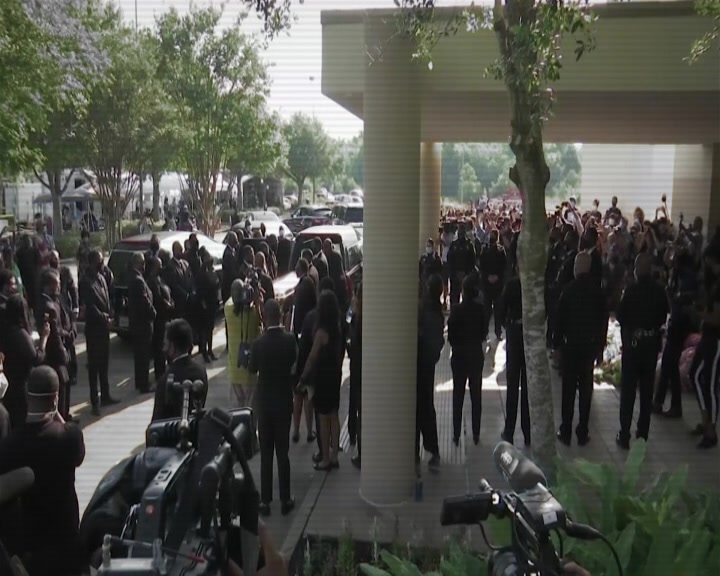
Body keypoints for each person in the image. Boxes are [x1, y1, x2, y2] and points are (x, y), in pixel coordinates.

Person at [0, 366, 85, 576]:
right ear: (55, 399)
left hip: (32, 548)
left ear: (27, 397)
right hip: (66, 541)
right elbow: (78, 455)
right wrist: (58, 415)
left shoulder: (10, 445)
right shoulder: (69, 437)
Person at [553, 252, 608, 447]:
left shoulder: (568, 290)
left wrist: (556, 345)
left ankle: (566, 429)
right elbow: (603, 323)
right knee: (586, 390)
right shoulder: (598, 291)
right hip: (589, 346)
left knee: (568, 390)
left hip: (571, 346)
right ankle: (582, 431)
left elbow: (558, 320)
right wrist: (600, 348)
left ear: (578, 267)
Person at [248, 299, 297, 517]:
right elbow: (294, 364)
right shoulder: (289, 340)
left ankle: (265, 501)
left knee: (266, 453)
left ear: (265, 317)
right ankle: (285, 498)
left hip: (264, 402)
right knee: (283, 453)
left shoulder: (258, 343)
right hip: (284, 400)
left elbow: (252, 369)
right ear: (280, 315)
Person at [615, 253, 669, 449]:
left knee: (628, 392)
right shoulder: (659, 291)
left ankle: (624, 434)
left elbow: (620, 315)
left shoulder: (631, 290)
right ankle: (643, 433)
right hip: (651, 345)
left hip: (633, 345)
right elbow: (663, 316)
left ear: (637, 270)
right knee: (647, 392)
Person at [298, 290, 343, 471]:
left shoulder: (321, 332)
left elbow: (311, 358)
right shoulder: (337, 328)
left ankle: (325, 458)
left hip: (323, 378)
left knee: (323, 419)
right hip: (335, 376)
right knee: (334, 416)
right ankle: (334, 456)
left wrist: (302, 378)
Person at [447, 275, 487, 446]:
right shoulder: (481, 310)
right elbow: (484, 332)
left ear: (462, 292)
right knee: (476, 394)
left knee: (458, 395)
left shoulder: (456, 310)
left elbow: (451, 335)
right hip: (475, 355)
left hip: (459, 356)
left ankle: (456, 434)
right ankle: (476, 433)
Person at [688, 248, 720, 449]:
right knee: (695, 374)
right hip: (708, 337)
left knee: (708, 383)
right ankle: (705, 419)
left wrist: (697, 314)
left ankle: (712, 429)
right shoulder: (714, 283)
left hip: (716, 339)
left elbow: (716, 318)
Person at [1, 295, 49, 428]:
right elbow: (36, 358)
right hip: (22, 386)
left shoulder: (5, 330)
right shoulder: (20, 333)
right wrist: (44, 338)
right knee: (22, 422)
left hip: (10, 384)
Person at [80, 249, 117, 415]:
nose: (103, 264)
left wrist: (111, 314)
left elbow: (107, 298)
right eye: (100, 261)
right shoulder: (85, 281)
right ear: (93, 262)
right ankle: (95, 401)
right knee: (94, 366)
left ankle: (106, 394)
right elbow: (90, 306)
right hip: (94, 328)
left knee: (104, 363)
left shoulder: (102, 278)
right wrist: (104, 318)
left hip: (104, 328)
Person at [498, 267, 531, 446]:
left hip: (514, 334)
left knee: (513, 385)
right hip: (529, 336)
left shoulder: (511, 285)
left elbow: (501, 309)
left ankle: (509, 430)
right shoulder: (534, 286)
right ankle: (527, 432)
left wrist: (508, 326)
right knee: (527, 386)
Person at [152, 319, 208, 421]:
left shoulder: (165, 380)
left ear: (172, 346)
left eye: (165, 344)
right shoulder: (201, 371)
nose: (164, 349)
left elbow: (157, 423)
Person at [36, 268, 74, 420]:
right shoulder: (47, 306)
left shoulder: (54, 301)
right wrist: (63, 355)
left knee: (66, 387)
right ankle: (61, 420)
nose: (59, 287)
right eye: (57, 284)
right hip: (56, 356)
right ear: (49, 285)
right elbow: (55, 333)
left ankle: (66, 415)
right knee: (61, 388)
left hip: (62, 348)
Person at [416, 274, 445, 470]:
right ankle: (432, 450)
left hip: (420, 365)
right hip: (428, 366)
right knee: (427, 407)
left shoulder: (426, 311)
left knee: (418, 408)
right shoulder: (436, 311)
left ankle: (417, 452)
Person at [288, 259, 318, 442]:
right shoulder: (310, 287)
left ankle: (296, 430)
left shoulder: (298, 289)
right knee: (307, 392)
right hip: (307, 345)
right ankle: (309, 432)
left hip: (297, 344)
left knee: (297, 393)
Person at [225, 278, 263, 409]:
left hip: (235, 370)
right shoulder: (253, 314)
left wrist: (242, 289)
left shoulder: (228, 310)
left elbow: (233, 299)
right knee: (251, 411)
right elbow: (261, 322)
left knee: (236, 412)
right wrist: (254, 296)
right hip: (251, 371)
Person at [128, 252, 156, 394]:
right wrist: (153, 312)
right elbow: (144, 301)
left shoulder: (134, 277)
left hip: (137, 324)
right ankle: (144, 385)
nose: (144, 265)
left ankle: (140, 382)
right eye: (142, 262)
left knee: (139, 356)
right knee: (143, 356)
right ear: (138, 263)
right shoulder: (138, 280)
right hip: (142, 324)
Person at [146, 256, 174, 382]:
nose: (161, 267)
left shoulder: (160, 278)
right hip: (159, 318)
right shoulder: (151, 281)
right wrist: (166, 304)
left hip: (165, 316)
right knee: (159, 347)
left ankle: (163, 370)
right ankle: (159, 373)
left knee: (164, 345)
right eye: (159, 265)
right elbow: (157, 297)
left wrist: (171, 301)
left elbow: (166, 290)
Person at [479, 228, 507, 340]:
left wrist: (497, 277)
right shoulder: (484, 250)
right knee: (486, 310)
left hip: (497, 284)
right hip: (487, 284)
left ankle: (498, 332)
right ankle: (484, 333)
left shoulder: (501, 250)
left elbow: (504, 266)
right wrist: (487, 277)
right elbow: (481, 266)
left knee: (498, 310)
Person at [347, 282, 363, 469]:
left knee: (355, 401)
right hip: (367, 364)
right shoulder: (373, 314)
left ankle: (353, 434)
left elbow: (349, 335)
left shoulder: (354, 313)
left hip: (356, 363)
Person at [197, 248, 220, 362]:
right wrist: (203, 303)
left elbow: (216, 283)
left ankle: (210, 350)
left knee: (210, 328)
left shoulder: (211, 270)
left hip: (212, 302)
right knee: (204, 329)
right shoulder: (201, 272)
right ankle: (204, 351)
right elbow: (200, 290)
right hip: (205, 304)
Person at [447, 223, 476, 307]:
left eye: (462, 231)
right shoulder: (454, 245)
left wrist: (467, 273)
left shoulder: (469, 245)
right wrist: (453, 273)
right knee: (454, 298)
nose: (460, 233)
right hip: (455, 275)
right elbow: (450, 260)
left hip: (465, 274)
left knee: (466, 296)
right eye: (459, 231)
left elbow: (472, 260)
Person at [323, 238, 348, 312]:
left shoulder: (337, 257)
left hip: (337, 286)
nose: (325, 249)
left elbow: (340, 272)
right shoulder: (322, 258)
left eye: (327, 247)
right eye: (324, 247)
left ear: (331, 247)